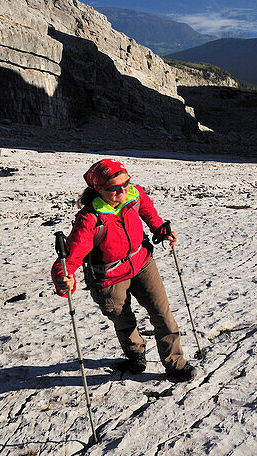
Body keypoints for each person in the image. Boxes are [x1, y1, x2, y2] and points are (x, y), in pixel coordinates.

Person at [51, 158, 195, 382]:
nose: (123, 191)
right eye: (114, 188)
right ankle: (136, 353)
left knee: (162, 314)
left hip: (142, 263)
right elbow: (72, 257)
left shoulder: (134, 195)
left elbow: (148, 212)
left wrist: (159, 229)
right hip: (109, 277)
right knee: (123, 320)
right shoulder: (90, 218)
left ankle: (175, 363)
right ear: (98, 189)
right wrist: (63, 279)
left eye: (126, 183)